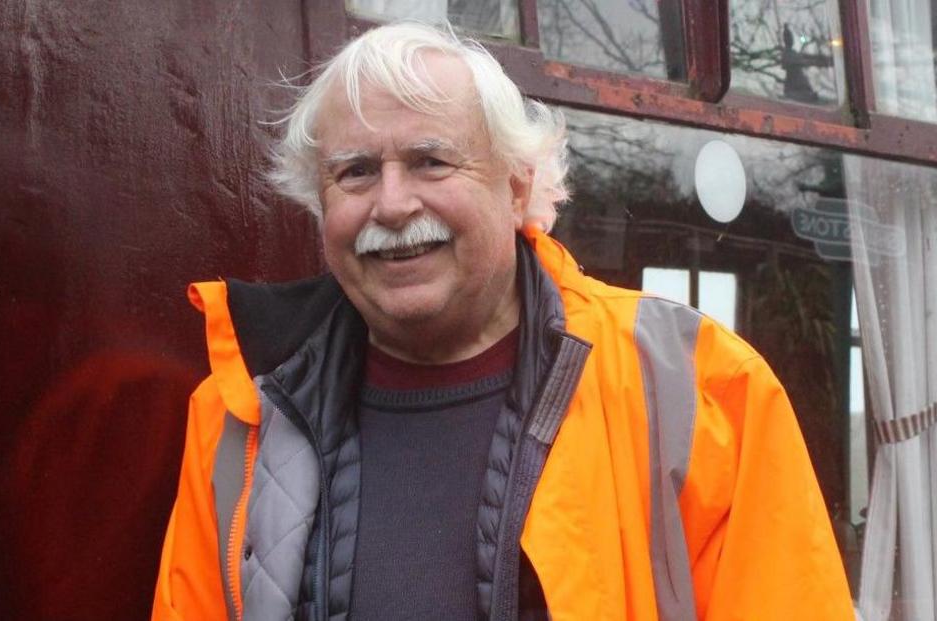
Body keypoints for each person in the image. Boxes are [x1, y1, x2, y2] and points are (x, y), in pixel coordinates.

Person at [152, 21, 854, 621]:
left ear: (517, 185)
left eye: (431, 161)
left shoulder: (696, 388)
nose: (392, 204)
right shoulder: (238, 412)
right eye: (356, 172)